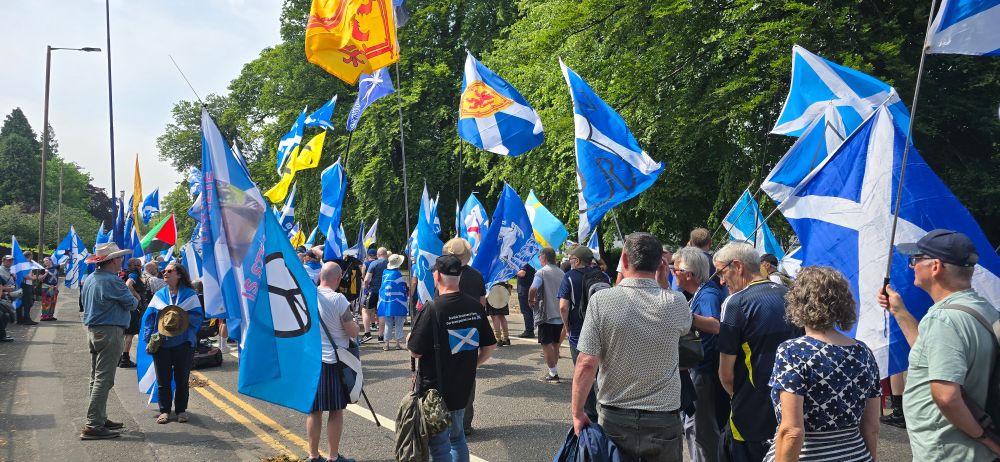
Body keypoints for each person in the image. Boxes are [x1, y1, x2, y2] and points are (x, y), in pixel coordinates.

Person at [878, 229, 1000, 460]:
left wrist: (987, 439)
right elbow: (930, 357)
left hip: (949, 451)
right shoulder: (983, 308)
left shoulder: (943, 320)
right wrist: (899, 311)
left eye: (916, 259)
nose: (912, 265)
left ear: (935, 267)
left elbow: (946, 396)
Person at [571, 232, 691, 462]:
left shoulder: (602, 301)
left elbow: (586, 363)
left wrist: (577, 413)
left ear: (624, 260)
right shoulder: (676, 302)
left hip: (615, 414)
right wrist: (664, 284)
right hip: (663, 417)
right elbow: (683, 327)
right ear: (660, 263)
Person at [766, 266, 881, 461]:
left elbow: (792, 431)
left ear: (798, 302)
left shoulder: (793, 352)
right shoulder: (864, 353)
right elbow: (872, 427)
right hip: (857, 455)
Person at [714, 241, 801, 462]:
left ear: (738, 266)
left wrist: (742, 396)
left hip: (751, 411)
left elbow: (726, 375)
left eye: (721, 273)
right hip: (792, 406)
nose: (721, 281)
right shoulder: (790, 294)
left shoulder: (735, 304)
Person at [408, 255, 497, 462]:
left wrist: (410, 338)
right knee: (457, 439)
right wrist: (474, 364)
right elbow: (490, 345)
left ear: (437, 276)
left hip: (435, 389)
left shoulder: (432, 308)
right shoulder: (475, 306)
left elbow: (416, 351)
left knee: (438, 446)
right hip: (463, 384)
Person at [672, 246, 727, 462]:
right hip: (698, 368)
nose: (673, 273)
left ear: (689, 274)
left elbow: (715, 325)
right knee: (693, 425)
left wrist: (686, 315)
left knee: (700, 428)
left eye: (675, 270)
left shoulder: (708, 294)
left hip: (703, 371)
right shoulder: (701, 292)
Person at [80, 243, 137, 440]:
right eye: (119, 258)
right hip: (109, 330)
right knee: (104, 379)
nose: (122, 260)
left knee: (96, 378)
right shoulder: (112, 281)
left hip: (94, 330)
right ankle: (94, 424)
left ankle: (99, 418)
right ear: (112, 260)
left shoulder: (91, 278)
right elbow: (132, 303)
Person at [306, 262, 359, 462]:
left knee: (314, 410)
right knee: (336, 410)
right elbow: (352, 332)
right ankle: (333, 457)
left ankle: (312, 455)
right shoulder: (338, 299)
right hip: (334, 361)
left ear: (321, 276)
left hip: (312, 361)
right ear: (337, 279)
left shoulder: (308, 296)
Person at [140, 262, 203, 424]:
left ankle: (181, 410)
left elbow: (197, 317)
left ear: (179, 274)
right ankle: (165, 411)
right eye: (164, 271)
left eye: (169, 271)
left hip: (183, 343)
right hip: (162, 344)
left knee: (182, 379)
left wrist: (187, 333)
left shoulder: (190, 295)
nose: (165, 273)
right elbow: (150, 319)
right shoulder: (159, 295)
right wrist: (149, 339)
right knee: (163, 379)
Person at [441, 237, 487, 435]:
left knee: (444, 375)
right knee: (468, 375)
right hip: (470, 331)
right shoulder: (476, 275)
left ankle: (446, 421)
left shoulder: (443, 275)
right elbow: (482, 304)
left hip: (447, 329)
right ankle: (465, 423)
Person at [559, 245, 610, 420]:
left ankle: (590, 414)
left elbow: (563, 306)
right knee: (602, 371)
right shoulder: (603, 276)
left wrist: (566, 327)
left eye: (571, 258)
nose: (569, 260)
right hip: (602, 330)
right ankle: (607, 409)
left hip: (578, 332)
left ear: (577, 261)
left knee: (583, 372)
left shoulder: (569, 277)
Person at [527, 247, 565, 382]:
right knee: (555, 344)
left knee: (546, 344)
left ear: (544, 257)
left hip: (546, 314)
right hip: (559, 313)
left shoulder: (541, 273)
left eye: (539, 256)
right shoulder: (561, 272)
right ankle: (554, 370)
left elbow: (533, 288)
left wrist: (531, 300)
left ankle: (553, 373)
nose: (538, 259)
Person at [120, 257, 149, 368]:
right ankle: (125, 359)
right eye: (136, 265)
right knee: (129, 334)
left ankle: (120, 358)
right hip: (132, 308)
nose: (139, 267)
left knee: (124, 334)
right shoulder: (133, 274)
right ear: (130, 265)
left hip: (123, 306)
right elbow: (128, 285)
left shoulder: (123, 273)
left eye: (140, 265)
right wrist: (137, 296)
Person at [378, 254, 408, 351]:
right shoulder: (398, 274)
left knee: (388, 323)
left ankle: (386, 344)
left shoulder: (385, 273)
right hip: (398, 302)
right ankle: (397, 343)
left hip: (387, 301)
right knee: (399, 322)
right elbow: (402, 287)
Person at [362, 247, 388, 342]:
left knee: (365, 310)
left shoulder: (374, 263)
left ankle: (367, 333)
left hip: (373, 290)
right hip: (385, 292)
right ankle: (381, 336)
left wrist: (366, 286)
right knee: (381, 313)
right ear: (386, 254)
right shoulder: (389, 264)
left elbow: (366, 279)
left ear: (377, 255)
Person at [486, 282, 512, 346]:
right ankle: (506, 338)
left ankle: (498, 339)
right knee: (502, 316)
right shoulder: (502, 271)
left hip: (492, 289)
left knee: (495, 316)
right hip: (502, 289)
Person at [515, 263, 536, 338]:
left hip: (524, 290)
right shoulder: (531, 264)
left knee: (526, 311)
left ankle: (529, 331)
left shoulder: (525, 263)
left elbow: (522, 273)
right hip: (527, 289)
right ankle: (530, 330)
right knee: (529, 311)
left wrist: (513, 271)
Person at [18, 251, 39, 325]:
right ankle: (26, 320)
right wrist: (33, 278)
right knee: (28, 303)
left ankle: (20, 319)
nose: (32, 258)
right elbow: (25, 276)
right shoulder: (25, 265)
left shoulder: (23, 264)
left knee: (23, 303)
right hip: (26, 285)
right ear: (29, 256)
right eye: (31, 256)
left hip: (25, 285)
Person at [39, 257, 60, 321]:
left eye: (46, 260)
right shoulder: (43, 269)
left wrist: (68, 258)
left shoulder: (56, 267)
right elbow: (40, 279)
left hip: (54, 288)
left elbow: (63, 264)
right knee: (46, 302)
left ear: (50, 261)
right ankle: (44, 316)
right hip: (46, 287)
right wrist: (46, 273)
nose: (45, 262)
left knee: (53, 302)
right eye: (44, 261)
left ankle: (50, 316)